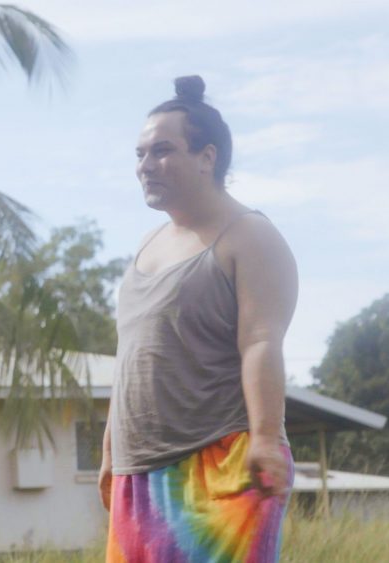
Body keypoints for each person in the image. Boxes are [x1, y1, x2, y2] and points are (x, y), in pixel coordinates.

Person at [98, 75, 298, 562]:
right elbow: (131, 358)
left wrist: (267, 439)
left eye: (162, 151)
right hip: (139, 472)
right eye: (140, 154)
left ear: (208, 157)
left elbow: (260, 343)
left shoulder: (248, 236)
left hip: (220, 463)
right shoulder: (149, 243)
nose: (146, 166)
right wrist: (109, 453)